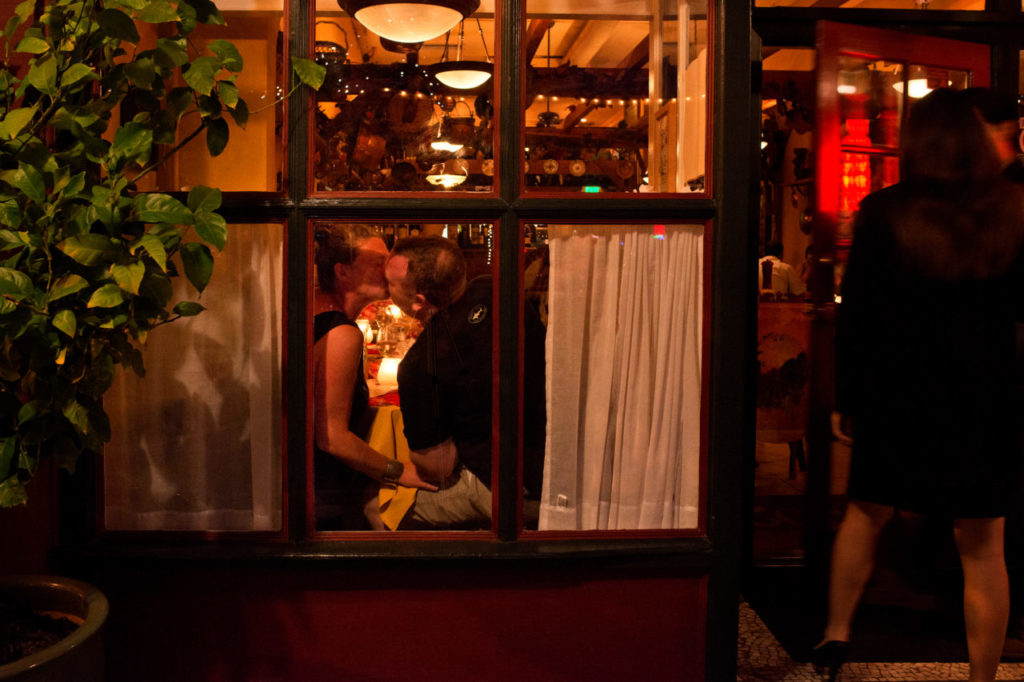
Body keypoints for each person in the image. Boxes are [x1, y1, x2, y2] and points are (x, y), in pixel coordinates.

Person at [814, 88, 1024, 682]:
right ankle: (982, 675)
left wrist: (847, 399)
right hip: (986, 396)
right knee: (983, 546)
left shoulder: (884, 211)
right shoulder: (1015, 210)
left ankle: (835, 634)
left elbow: (859, 317)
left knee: (866, 513)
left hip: (897, 390)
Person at [384, 236, 546, 529]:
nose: (386, 289)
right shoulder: (496, 289)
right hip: (552, 457)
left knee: (379, 504)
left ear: (419, 302)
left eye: (389, 284)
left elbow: (439, 468)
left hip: (509, 488)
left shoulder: (421, 364)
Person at [313, 224, 436, 530]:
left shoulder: (313, 313)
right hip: (324, 498)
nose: (388, 270)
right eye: (377, 262)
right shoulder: (341, 333)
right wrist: (397, 470)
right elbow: (332, 438)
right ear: (343, 271)